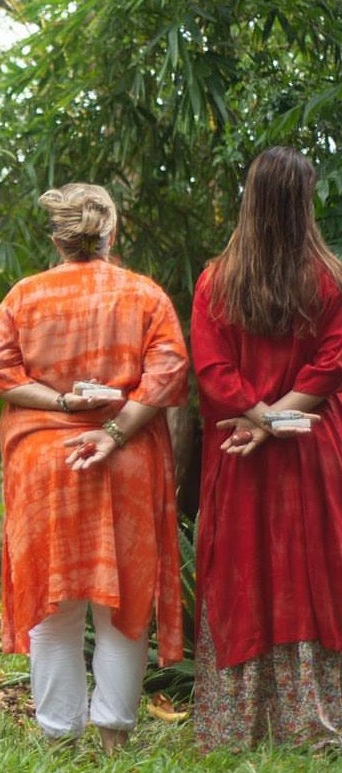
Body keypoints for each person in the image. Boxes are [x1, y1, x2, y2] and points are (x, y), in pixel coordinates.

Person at [0, 183, 188, 751]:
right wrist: (115, 430)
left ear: (58, 239)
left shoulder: (25, 296)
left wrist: (61, 403)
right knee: (125, 604)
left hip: (45, 466)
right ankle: (114, 740)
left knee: (53, 603)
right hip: (128, 457)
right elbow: (168, 375)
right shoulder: (144, 295)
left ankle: (58, 739)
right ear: (111, 234)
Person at [190, 146, 342, 750]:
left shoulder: (216, 280)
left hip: (238, 449)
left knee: (240, 569)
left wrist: (256, 419)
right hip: (311, 449)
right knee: (310, 572)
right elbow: (332, 368)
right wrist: (279, 419)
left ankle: (234, 728)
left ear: (250, 198)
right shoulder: (328, 278)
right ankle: (312, 725)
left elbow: (212, 370)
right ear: (305, 202)